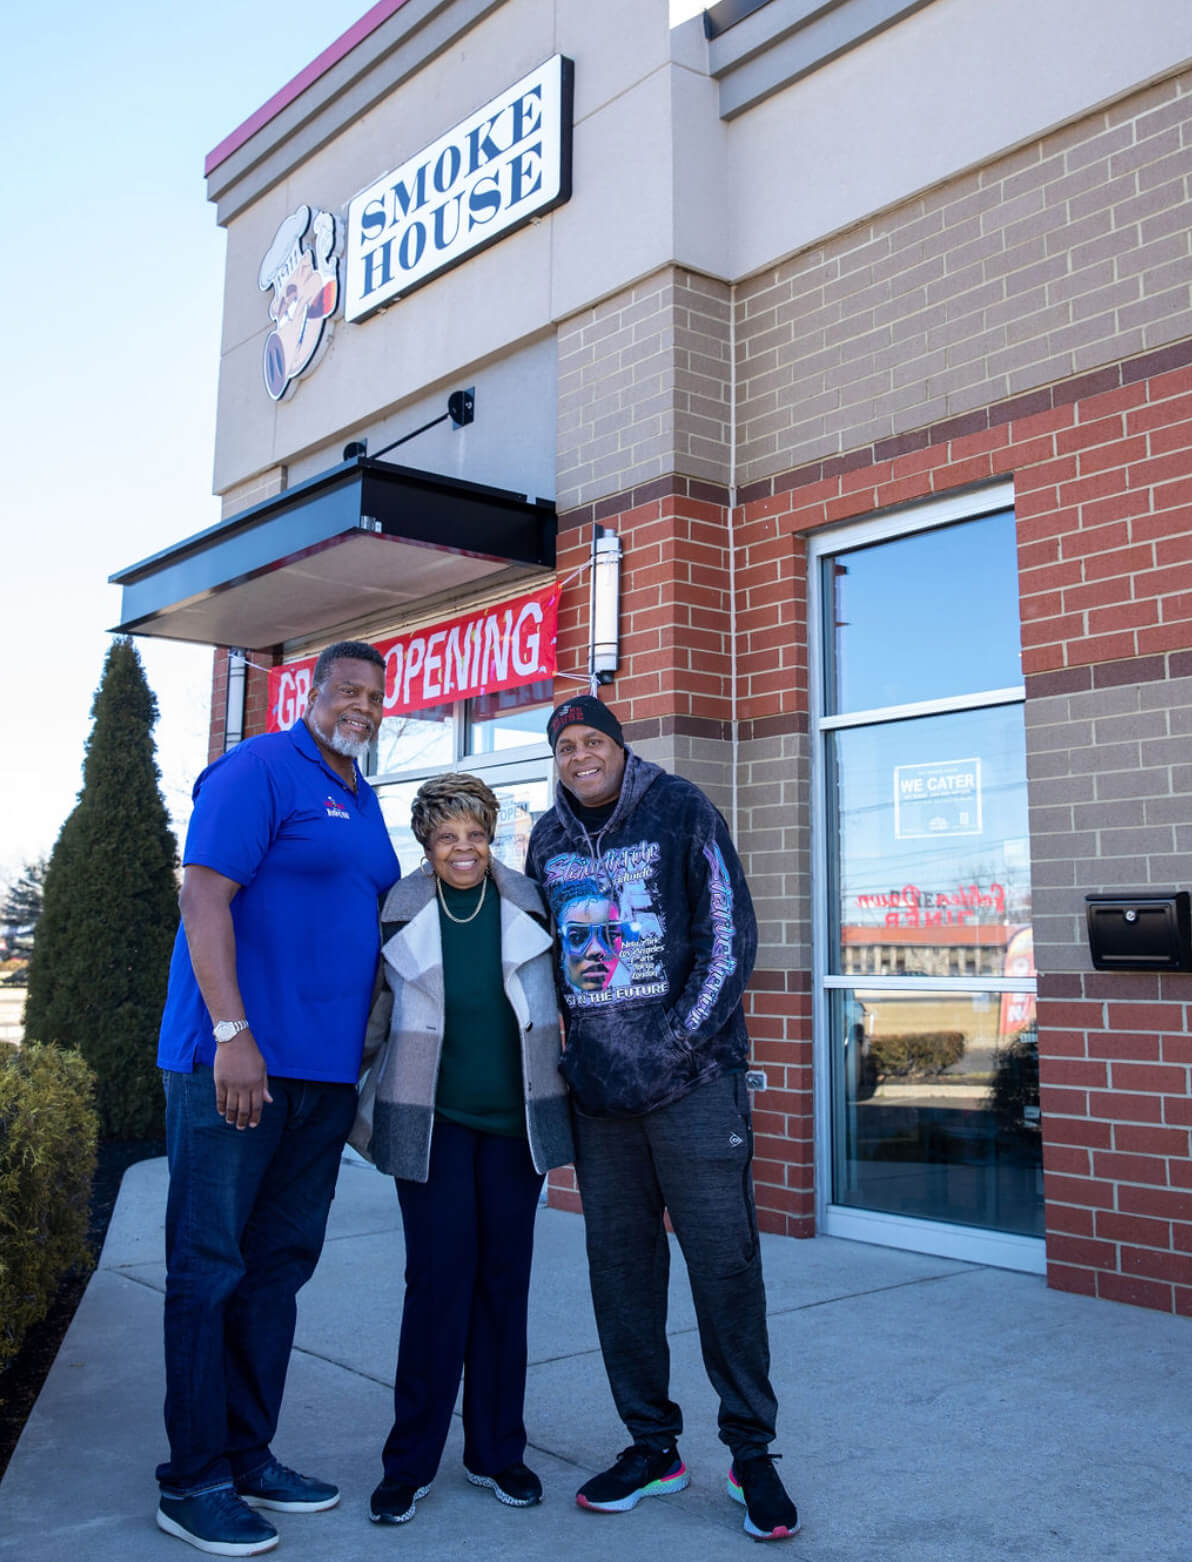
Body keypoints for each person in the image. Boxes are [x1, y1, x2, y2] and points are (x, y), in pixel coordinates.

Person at [526, 694, 799, 1543]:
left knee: (724, 1267)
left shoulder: (680, 808)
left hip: (693, 1086)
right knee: (622, 1276)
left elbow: (729, 937)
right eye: (566, 745)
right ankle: (653, 1446)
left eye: (591, 741)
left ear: (618, 745)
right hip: (601, 1101)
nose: (579, 756)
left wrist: (677, 1043)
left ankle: (751, 1453)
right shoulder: (547, 837)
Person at [155, 641, 399, 1557]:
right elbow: (203, 898)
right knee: (208, 1268)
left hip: (321, 1079)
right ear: (310, 691)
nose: (362, 706)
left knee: (277, 1269)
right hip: (233, 1066)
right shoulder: (257, 768)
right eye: (347, 690)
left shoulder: (366, 797)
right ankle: (193, 1480)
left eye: (376, 696)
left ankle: (247, 1453)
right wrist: (232, 1034)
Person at [349, 773, 573, 1527]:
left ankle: (496, 1453)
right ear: (426, 844)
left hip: (517, 1125)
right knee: (438, 1288)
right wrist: (345, 1105)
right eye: (448, 836)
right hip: (432, 1123)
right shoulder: (402, 909)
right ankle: (408, 1463)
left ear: (492, 833)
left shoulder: (530, 901)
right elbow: (374, 1013)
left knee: (503, 1289)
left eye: (476, 832)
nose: (464, 848)